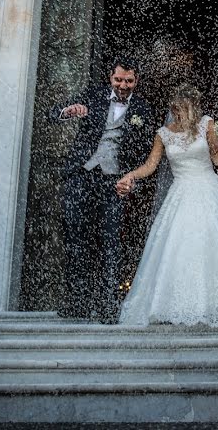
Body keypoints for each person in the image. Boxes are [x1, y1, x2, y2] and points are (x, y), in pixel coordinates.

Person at [115, 84, 218, 325]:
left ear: (192, 107)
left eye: (182, 109)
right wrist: (131, 175)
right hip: (180, 191)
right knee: (178, 243)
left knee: (214, 240)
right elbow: (150, 165)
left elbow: (216, 158)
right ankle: (176, 304)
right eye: (175, 109)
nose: (178, 113)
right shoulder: (164, 133)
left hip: (208, 188)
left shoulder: (207, 125)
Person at [55, 58, 155, 322]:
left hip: (114, 184)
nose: (123, 85)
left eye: (129, 81)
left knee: (111, 244)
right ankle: (77, 303)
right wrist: (69, 111)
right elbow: (54, 112)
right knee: (76, 239)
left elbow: (145, 154)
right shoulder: (93, 95)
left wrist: (132, 181)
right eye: (118, 80)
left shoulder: (143, 110)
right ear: (111, 78)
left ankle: (109, 305)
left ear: (136, 81)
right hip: (82, 176)